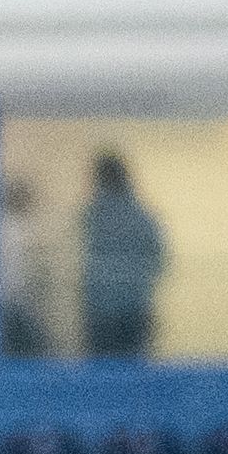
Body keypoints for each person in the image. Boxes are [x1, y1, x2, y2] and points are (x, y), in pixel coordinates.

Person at [71, 151, 164, 364]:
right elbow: (158, 259)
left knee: (100, 380)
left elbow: (73, 258)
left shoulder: (91, 216)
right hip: (134, 309)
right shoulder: (142, 216)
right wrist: (139, 285)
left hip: (100, 312)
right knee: (134, 379)